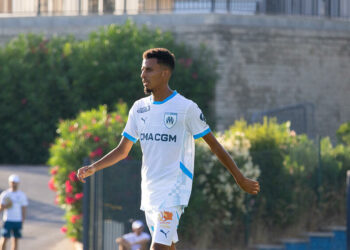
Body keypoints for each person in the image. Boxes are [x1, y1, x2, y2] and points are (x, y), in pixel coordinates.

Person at [77, 48, 260, 250]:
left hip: (174, 191)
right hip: (150, 193)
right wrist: (94, 167)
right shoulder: (139, 108)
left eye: (149, 70)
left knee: (158, 248)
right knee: (168, 246)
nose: (142, 75)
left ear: (165, 73)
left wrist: (239, 178)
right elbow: (123, 150)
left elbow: (215, 145)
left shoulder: (186, 108)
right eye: (142, 69)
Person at [0, 174, 28, 250]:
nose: (14, 184)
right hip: (7, 220)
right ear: (9, 182)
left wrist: (23, 219)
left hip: (17, 220)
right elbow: (0, 208)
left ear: (18, 183)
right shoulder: (5, 194)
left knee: (15, 240)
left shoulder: (22, 195)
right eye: (12, 182)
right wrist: (6, 206)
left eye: (15, 182)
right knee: (4, 239)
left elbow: (24, 208)